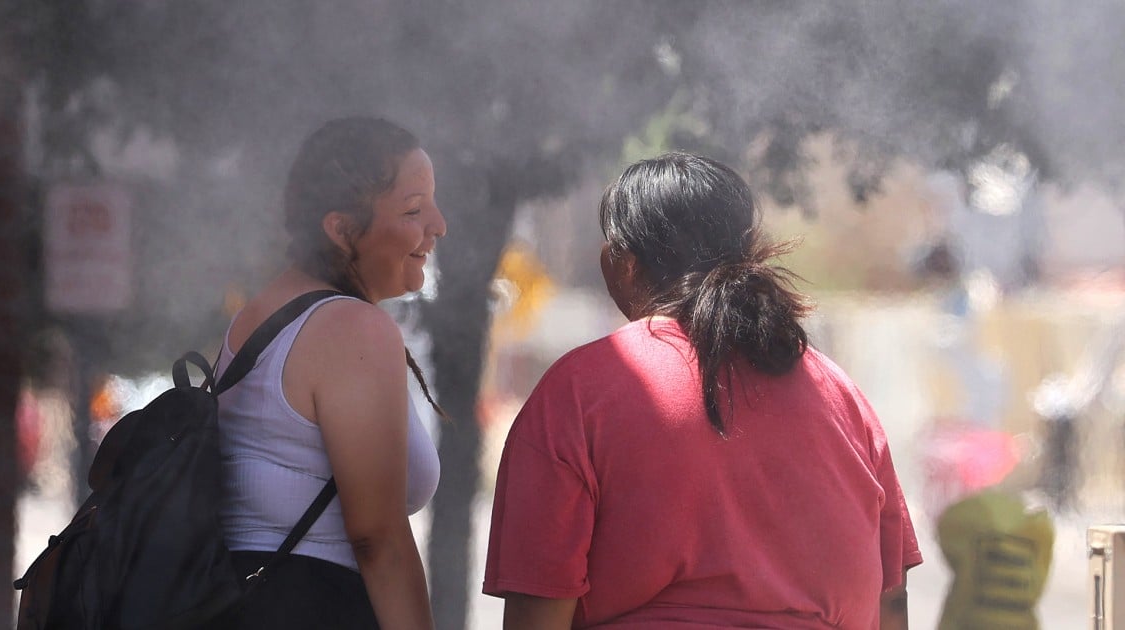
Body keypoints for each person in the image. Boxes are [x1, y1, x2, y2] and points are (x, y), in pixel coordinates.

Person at [483, 152, 921, 629]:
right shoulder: (841, 395)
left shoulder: (578, 391)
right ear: (749, 253)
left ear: (621, 263)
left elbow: (536, 612)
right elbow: (889, 602)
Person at [215, 116, 445, 629]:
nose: (438, 224)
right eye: (413, 208)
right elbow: (378, 540)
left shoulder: (259, 313)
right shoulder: (351, 329)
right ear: (341, 229)